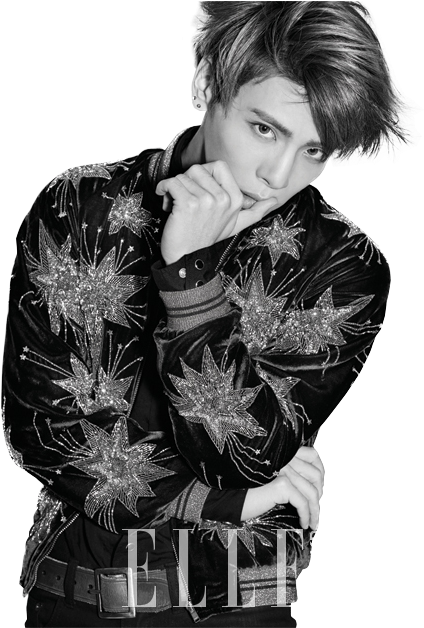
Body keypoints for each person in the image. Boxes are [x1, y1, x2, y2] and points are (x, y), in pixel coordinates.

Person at [2, 2, 420, 627]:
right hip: (79, 600)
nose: (278, 176)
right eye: (265, 129)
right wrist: (222, 502)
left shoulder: (341, 265)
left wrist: (190, 279)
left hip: (246, 607)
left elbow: (242, 454)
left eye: (315, 150)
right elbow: (42, 431)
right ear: (205, 84)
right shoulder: (82, 207)